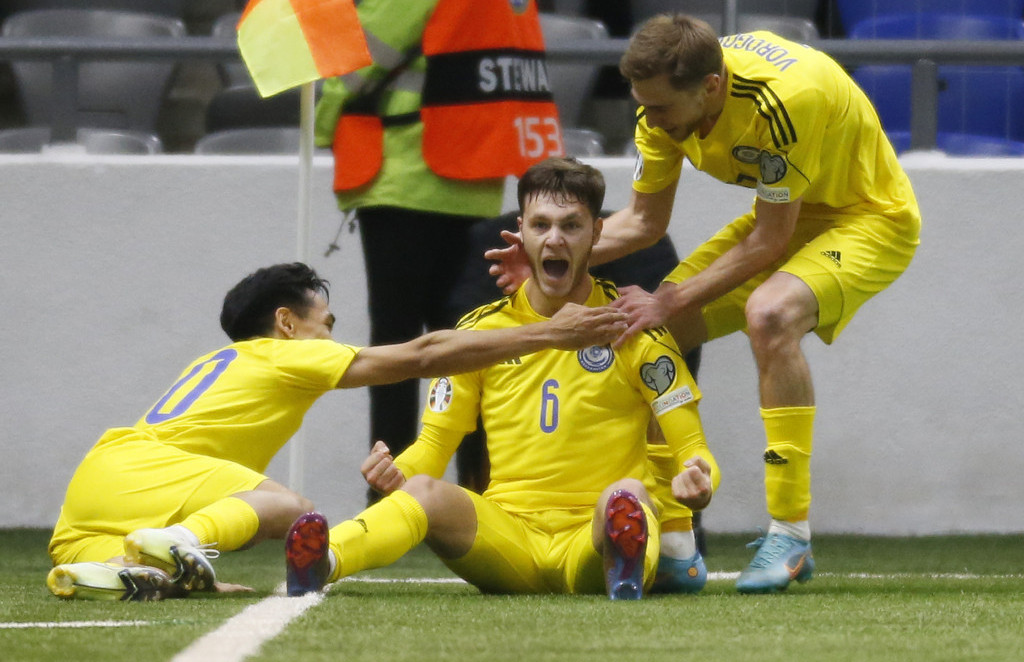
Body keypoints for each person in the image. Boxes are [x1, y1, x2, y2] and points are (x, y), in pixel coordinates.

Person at [489, 16, 921, 593]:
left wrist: (670, 297)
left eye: (662, 108)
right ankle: (675, 542)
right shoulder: (658, 109)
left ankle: (790, 533)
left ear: (711, 87)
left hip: (870, 216)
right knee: (644, 339)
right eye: (644, 105)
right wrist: (552, 250)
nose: (651, 119)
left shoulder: (782, 103)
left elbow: (769, 240)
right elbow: (644, 222)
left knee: (770, 315)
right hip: (791, 215)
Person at [45, 262, 626, 601]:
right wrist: (548, 335)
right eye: (327, 325)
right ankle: (187, 540)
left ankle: (164, 564)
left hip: (98, 483)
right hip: (155, 471)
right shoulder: (285, 355)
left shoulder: (213, 362)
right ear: (286, 324)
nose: (333, 337)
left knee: (106, 567)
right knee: (290, 508)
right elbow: (423, 354)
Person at [284, 157, 718, 601]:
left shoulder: (635, 331)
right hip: (507, 535)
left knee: (627, 496)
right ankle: (323, 559)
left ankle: (621, 565)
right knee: (424, 491)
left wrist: (699, 479)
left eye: (571, 225)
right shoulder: (480, 335)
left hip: (592, 530)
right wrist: (398, 471)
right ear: (522, 232)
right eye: (541, 225)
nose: (555, 239)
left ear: (597, 234)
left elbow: (694, 450)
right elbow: (433, 448)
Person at [314, 0, 564, 495]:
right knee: (471, 345)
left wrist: (322, 122)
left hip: (406, 175)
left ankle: (390, 493)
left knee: (396, 350)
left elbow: (360, 63)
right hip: (475, 177)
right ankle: (484, 491)